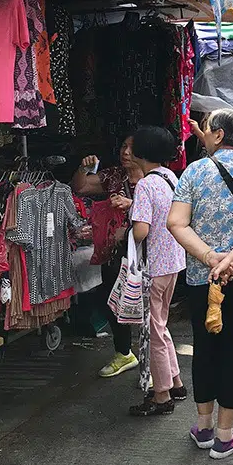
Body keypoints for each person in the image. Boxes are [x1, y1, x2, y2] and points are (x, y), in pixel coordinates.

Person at [167, 108, 233, 460]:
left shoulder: (193, 172)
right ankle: (225, 435)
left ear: (215, 134)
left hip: (204, 275)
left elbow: (176, 223)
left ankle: (203, 427)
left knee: (206, 346)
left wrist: (212, 258)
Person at [126, 127, 187, 417]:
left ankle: (161, 395)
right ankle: (175, 382)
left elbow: (141, 230)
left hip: (153, 267)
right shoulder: (170, 177)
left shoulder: (145, 185)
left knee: (153, 331)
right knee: (161, 326)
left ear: (141, 152)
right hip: (173, 262)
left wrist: (121, 237)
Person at [71, 136, 143, 379]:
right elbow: (81, 187)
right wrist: (83, 168)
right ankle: (124, 352)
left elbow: (165, 207)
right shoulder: (114, 176)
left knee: (149, 307)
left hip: (147, 249)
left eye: (132, 148)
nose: (126, 152)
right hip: (115, 249)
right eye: (123, 146)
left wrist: (131, 204)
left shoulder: (155, 176)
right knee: (113, 300)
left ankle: (155, 364)